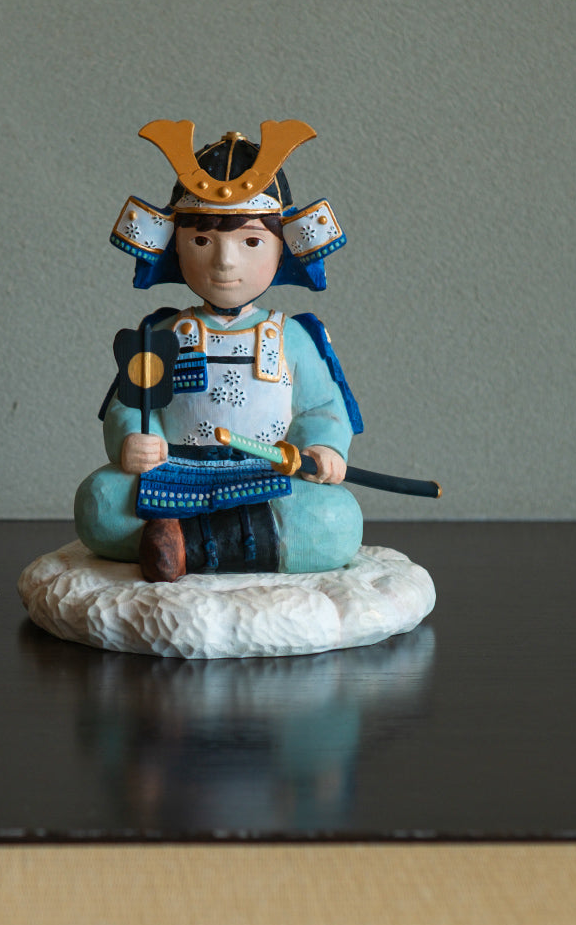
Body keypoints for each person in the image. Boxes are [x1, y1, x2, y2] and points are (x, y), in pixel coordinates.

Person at [75, 120, 364, 582]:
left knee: (335, 520)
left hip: (267, 475)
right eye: (201, 241)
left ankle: (178, 544)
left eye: (250, 241)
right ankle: (236, 543)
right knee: (101, 500)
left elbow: (322, 407)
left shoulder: (292, 337)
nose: (225, 261)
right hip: (176, 470)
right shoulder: (163, 333)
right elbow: (129, 405)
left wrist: (322, 447)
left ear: (282, 248)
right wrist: (132, 441)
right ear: (175, 245)